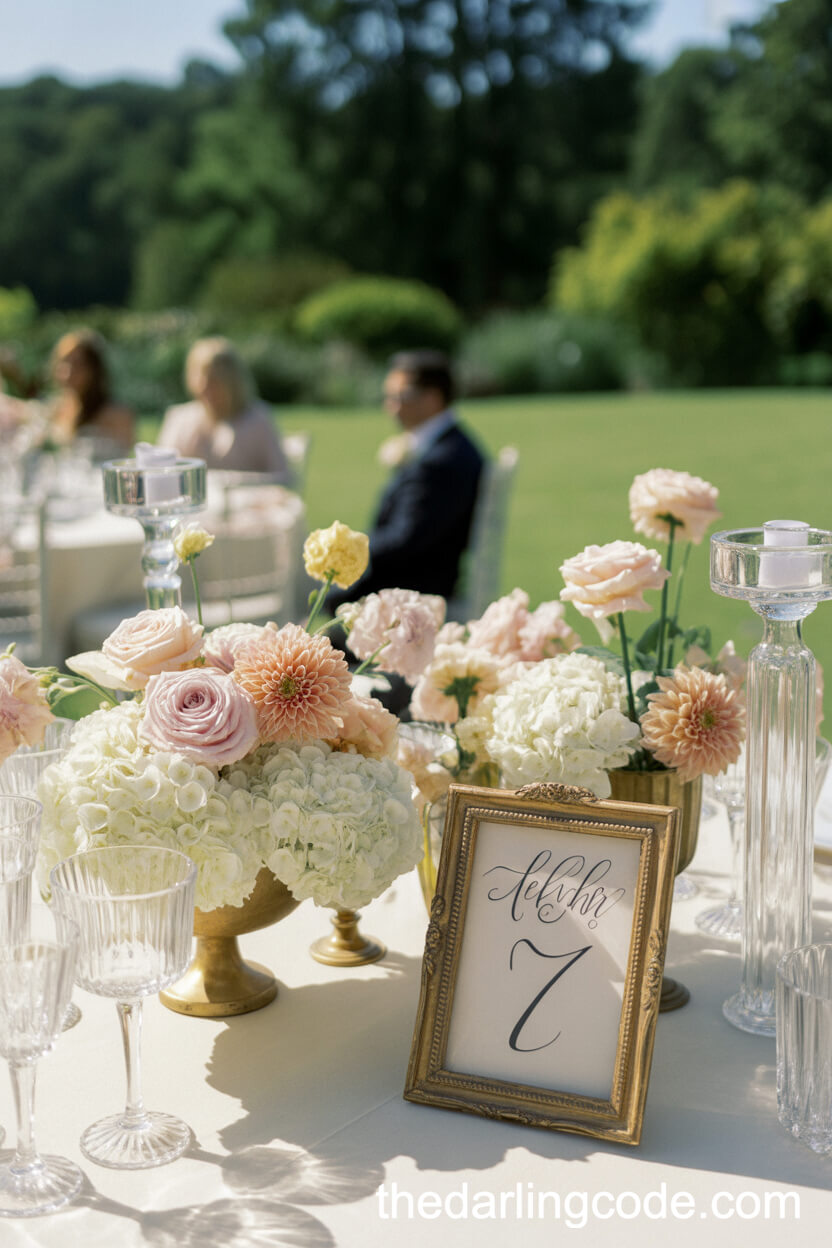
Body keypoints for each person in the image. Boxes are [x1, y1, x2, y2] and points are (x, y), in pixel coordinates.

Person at [328, 350, 485, 609]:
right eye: (388, 397)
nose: (390, 407)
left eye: (400, 397)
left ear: (433, 398)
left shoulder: (440, 461)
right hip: (415, 581)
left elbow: (405, 539)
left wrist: (347, 549)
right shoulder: (451, 446)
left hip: (410, 597)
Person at [158, 337, 292, 479]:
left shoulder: (258, 419)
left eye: (214, 380)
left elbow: (281, 475)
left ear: (233, 382)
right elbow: (163, 474)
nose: (205, 387)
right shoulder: (181, 419)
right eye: (200, 379)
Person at [50, 329, 135, 453]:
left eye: (78, 365)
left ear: (94, 370)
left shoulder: (118, 415)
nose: (68, 373)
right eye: (64, 362)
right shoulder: (56, 410)